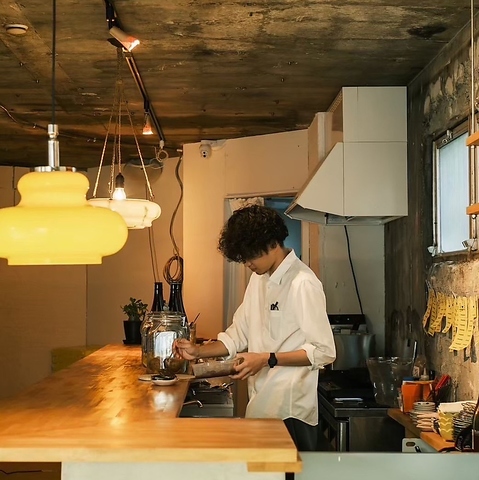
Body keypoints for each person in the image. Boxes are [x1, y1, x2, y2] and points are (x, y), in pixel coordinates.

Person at [175, 204, 336, 451]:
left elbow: (324, 351)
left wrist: (266, 359)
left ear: (272, 243)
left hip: (290, 413)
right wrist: (197, 351)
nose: (247, 263)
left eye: (250, 255)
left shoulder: (302, 283)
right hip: (261, 407)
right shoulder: (258, 280)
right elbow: (237, 334)